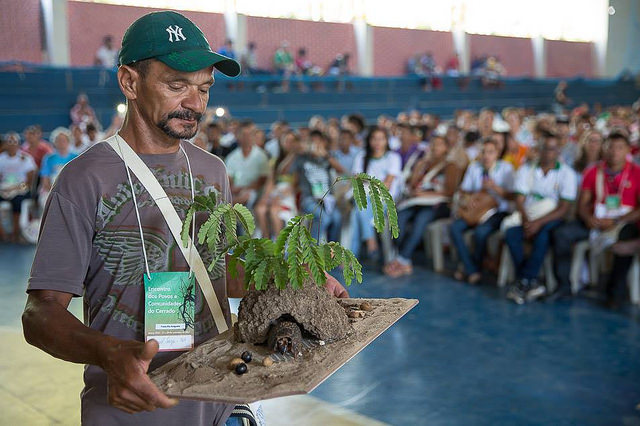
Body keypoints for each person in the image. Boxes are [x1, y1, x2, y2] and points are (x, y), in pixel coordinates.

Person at [21, 11, 349, 426]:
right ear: (129, 82)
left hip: (225, 393)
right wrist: (108, 352)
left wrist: (297, 279)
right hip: (136, 405)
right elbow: (40, 313)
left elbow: (217, 273)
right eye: (177, 85)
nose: (195, 103)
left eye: (203, 88)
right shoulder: (84, 179)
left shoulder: (212, 170)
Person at [551, 129, 640, 305]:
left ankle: (615, 292)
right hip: (594, 221)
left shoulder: (637, 173)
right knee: (561, 234)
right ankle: (564, 286)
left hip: (623, 222)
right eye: (611, 147)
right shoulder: (593, 171)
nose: (615, 152)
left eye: (620, 148)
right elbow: (583, 203)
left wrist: (616, 221)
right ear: (604, 149)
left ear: (628, 150)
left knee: (625, 240)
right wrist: (588, 219)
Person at [504, 133, 577, 304]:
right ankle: (530, 281)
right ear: (538, 150)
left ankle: (524, 280)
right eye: (544, 148)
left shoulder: (567, 174)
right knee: (512, 234)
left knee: (543, 236)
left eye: (551, 149)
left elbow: (564, 208)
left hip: (552, 218)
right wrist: (526, 219)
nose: (547, 153)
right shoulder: (526, 169)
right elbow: (519, 200)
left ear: (558, 151)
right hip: (529, 215)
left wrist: (538, 223)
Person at [384, 135, 457, 277]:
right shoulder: (423, 163)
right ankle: (402, 257)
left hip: (437, 204)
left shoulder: (450, 166)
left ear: (446, 148)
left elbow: (450, 192)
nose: (435, 147)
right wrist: (418, 169)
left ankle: (402, 259)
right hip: (416, 202)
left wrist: (425, 195)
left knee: (421, 220)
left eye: (439, 145)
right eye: (433, 144)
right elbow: (411, 186)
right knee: (399, 218)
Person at [449, 138, 514, 284]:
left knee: (481, 233)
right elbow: (464, 190)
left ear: (497, 153)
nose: (486, 156)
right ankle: (471, 268)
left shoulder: (506, 168)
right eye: (483, 152)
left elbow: (513, 196)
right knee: (454, 228)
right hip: (476, 210)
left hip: (498, 211)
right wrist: (469, 198)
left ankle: (469, 267)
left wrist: (495, 188)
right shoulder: (475, 167)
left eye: (490, 152)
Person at [350, 127, 402, 260]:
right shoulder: (362, 157)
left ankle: (355, 254)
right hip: (364, 197)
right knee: (359, 208)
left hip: (385, 200)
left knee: (358, 211)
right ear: (369, 140)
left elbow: (387, 185)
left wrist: (368, 183)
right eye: (374, 139)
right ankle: (370, 240)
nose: (377, 142)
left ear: (386, 141)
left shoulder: (393, 157)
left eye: (381, 139)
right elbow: (356, 181)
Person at [293, 130, 342, 243]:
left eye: (318, 142)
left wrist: (325, 155)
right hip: (309, 199)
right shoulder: (302, 158)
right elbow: (292, 179)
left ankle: (332, 250)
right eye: (312, 142)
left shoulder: (328, 158)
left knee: (337, 218)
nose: (315, 145)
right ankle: (313, 252)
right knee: (323, 218)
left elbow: (341, 171)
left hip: (328, 199)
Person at [254, 131, 300, 239]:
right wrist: (265, 197)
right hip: (275, 190)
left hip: (289, 193)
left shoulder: (299, 160)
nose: (289, 144)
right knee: (260, 209)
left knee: (274, 210)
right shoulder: (275, 161)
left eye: (292, 141)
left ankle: (279, 247)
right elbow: (271, 181)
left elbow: (295, 184)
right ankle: (266, 240)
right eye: (286, 141)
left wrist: (293, 154)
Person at [0, 132, 36, 242]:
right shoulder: (1, 158)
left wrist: (15, 188)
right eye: (9, 142)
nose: (12, 145)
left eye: (14, 142)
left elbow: (29, 182)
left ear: (18, 144)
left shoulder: (26, 159)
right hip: (4, 189)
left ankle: (16, 232)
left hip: (21, 189)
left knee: (18, 201)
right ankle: (2, 233)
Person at [38, 127, 78, 200]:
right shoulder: (48, 158)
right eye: (58, 140)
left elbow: (78, 178)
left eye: (63, 140)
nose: (61, 142)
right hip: (51, 191)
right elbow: (45, 181)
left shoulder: (76, 157)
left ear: (69, 141)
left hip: (71, 191)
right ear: (54, 142)